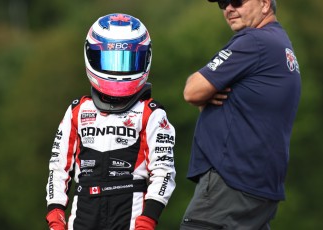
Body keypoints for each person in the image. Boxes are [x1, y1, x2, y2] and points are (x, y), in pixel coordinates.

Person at [45, 13, 176, 230]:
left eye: (127, 61)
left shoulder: (151, 113)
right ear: (92, 56)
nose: (118, 70)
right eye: (110, 60)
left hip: (130, 210)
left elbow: (164, 171)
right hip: (83, 209)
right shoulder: (77, 110)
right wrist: (55, 212)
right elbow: (58, 167)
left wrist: (148, 219)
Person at [180, 0, 301, 229]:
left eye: (237, 1)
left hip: (231, 182)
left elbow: (192, 91)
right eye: (223, 3)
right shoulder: (281, 43)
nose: (229, 8)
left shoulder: (254, 40)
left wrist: (206, 92)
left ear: (265, 4)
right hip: (259, 187)